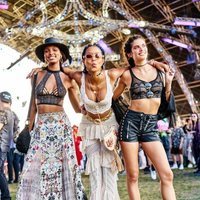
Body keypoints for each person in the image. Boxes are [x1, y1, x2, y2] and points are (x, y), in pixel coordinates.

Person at [27, 42, 170, 200]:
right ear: (83, 60)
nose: (93, 60)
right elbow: (57, 68)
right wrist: (39, 70)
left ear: (103, 59)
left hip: (109, 126)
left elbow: (138, 64)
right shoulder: (77, 76)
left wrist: (152, 62)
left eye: (97, 56)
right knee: (95, 172)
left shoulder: (113, 74)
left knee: (109, 170)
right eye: (89, 56)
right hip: (89, 127)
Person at [16, 37, 86, 200]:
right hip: (41, 126)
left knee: (65, 166)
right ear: (44, 56)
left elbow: (77, 108)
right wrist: (28, 127)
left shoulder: (68, 78)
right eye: (47, 51)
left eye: (54, 50)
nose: (50, 53)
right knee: (31, 166)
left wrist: (87, 98)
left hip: (61, 126)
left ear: (61, 54)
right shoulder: (37, 75)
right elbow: (33, 105)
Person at [113, 35, 176, 200]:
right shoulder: (127, 75)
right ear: (129, 54)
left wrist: (168, 83)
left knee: (167, 174)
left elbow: (165, 101)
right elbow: (113, 98)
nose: (141, 49)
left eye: (143, 45)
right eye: (136, 47)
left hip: (150, 125)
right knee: (133, 176)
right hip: (130, 123)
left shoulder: (160, 71)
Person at [0, 91, 19, 200]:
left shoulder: (2, 113)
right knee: (1, 172)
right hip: (6, 146)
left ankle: (6, 196)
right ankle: (5, 195)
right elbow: (16, 131)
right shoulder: (13, 114)